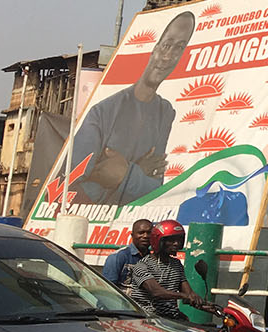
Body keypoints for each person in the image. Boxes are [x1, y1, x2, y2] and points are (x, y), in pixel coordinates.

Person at [72, 11, 195, 205]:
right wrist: (136, 173)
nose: (168, 56)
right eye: (166, 45)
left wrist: (126, 173)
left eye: (179, 48)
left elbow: (157, 188)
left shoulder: (166, 112)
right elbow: (72, 185)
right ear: (154, 49)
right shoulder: (103, 112)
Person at [128, 219, 211, 321]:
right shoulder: (142, 266)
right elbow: (157, 292)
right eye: (171, 240)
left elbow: (189, 294)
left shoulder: (176, 264)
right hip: (148, 318)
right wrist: (186, 296)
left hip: (171, 318)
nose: (176, 244)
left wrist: (211, 307)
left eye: (179, 240)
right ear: (158, 241)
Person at [100, 219, 153, 290]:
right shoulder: (118, 256)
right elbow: (107, 287)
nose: (145, 236)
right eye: (141, 233)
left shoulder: (152, 258)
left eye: (149, 233)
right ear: (132, 235)